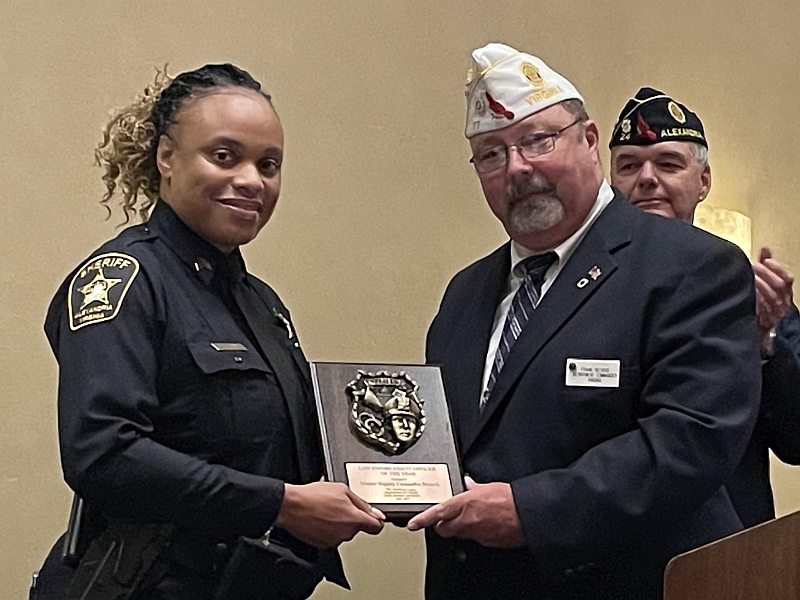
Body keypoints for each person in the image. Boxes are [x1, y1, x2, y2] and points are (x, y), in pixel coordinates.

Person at [407, 43, 762, 600]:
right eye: (492, 154)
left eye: (537, 141)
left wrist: (530, 511)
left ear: (589, 140)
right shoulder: (464, 293)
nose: (518, 169)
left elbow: (691, 441)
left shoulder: (692, 266)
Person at [32, 63, 384, 600]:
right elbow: (103, 454)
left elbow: (271, 447)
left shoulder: (259, 303)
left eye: (269, 165)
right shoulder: (125, 279)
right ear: (166, 157)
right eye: (224, 156)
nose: (251, 180)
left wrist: (408, 476)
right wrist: (282, 503)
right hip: (142, 584)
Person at [609, 87, 800, 528]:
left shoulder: (741, 285)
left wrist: (764, 341)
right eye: (630, 166)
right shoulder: (580, 283)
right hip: (610, 544)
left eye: (669, 164)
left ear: (704, 182)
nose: (647, 178)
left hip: (725, 548)